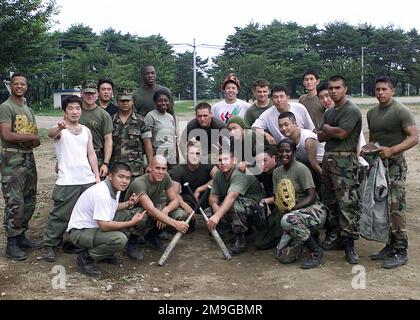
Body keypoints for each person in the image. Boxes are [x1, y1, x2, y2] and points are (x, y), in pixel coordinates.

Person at [40, 95, 101, 262]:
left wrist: (96, 176)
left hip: (86, 179)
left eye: (77, 108)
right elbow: (51, 134)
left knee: (86, 215)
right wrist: (59, 127)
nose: (74, 112)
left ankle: (77, 242)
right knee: (61, 215)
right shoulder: (61, 130)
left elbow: (91, 154)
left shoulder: (86, 130)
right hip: (67, 180)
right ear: (64, 112)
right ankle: (50, 245)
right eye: (70, 109)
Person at [366, 76, 419, 269]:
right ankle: (390, 245)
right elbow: (373, 138)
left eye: (384, 89)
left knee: (396, 206)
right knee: (382, 206)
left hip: (395, 164)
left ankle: (401, 250)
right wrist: (368, 150)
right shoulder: (372, 113)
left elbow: (414, 138)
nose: (380, 93)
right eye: (378, 89)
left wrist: (393, 150)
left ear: (392, 91)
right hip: (379, 164)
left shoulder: (400, 111)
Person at [66, 162, 144, 277]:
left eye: (127, 178)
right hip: (81, 231)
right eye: (120, 177)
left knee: (132, 213)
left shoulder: (113, 188)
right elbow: (104, 225)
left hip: (94, 227)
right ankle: (86, 258)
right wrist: (131, 223)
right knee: (119, 239)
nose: (124, 181)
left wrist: (128, 203)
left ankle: (105, 254)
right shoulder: (102, 193)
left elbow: (112, 207)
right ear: (110, 176)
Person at [317, 75, 362, 264]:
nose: (333, 91)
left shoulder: (351, 110)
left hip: (345, 160)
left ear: (345, 89)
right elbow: (319, 137)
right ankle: (335, 236)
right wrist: (329, 130)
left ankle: (349, 244)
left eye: (337, 88)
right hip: (328, 159)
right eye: (331, 88)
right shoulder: (329, 112)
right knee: (330, 201)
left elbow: (343, 134)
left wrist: (327, 128)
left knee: (347, 203)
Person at [0, 73, 41, 261]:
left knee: (29, 197)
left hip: (27, 157)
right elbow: (7, 135)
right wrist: (32, 138)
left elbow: (35, 137)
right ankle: (12, 242)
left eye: (22, 84)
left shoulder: (28, 109)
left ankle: (22, 235)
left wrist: (33, 140)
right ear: (11, 86)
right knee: (14, 201)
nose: (19, 86)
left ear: (26, 86)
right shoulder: (6, 107)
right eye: (16, 84)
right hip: (12, 158)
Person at [271, 138, 327, 269]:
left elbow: (312, 197)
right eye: (281, 151)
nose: (284, 154)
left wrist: (292, 208)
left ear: (294, 152)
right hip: (294, 213)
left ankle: (316, 252)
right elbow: (277, 197)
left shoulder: (302, 169)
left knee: (288, 220)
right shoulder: (276, 172)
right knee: (283, 256)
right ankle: (309, 236)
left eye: (288, 151)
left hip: (313, 209)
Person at [121, 155, 189, 260]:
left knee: (180, 214)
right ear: (150, 168)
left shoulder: (165, 177)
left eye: (164, 168)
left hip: (153, 210)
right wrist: (175, 224)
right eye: (157, 168)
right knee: (141, 216)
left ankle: (151, 236)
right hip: (134, 214)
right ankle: (133, 241)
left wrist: (166, 210)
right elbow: (150, 209)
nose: (161, 172)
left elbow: (175, 200)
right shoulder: (139, 183)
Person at [205, 150, 265, 255]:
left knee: (234, 204)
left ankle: (240, 240)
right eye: (220, 160)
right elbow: (213, 196)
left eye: (226, 159)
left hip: (256, 208)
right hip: (238, 203)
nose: (222, 163)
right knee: (209, 212)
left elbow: (232, 195)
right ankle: (231, 229)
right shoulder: (219, 174)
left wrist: (218, 216)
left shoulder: (240, 173)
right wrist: (215, 207)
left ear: (234, 161)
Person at [111, 87, 153, 181]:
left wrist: (150, 164)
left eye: (127, 100)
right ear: (117, 102)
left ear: (132, 101)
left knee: (137, 194)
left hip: (135, 170)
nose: (125, 103)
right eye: (122, 101)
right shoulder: (110, 120)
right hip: (116, 168)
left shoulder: (141, 121)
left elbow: (148, 143)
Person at [170, 139, 218, 215]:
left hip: (205, 199)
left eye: (197, 153)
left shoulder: (206, 164)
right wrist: (184, 205)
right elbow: (174, 193)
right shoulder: (178, 170)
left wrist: (200, 189)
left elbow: (218, 177)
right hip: (188, 200)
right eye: (191, 153)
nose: (194, 156)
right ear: (186, 153)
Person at [278, 112, 322, 190]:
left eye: (286, 124)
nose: (283, 129)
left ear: (295, 123)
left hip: (321, 164)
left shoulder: (307, 139)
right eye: (280, 126)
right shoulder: (284, 139)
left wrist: (326, 182)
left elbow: (314, 164)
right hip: (307, 164)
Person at [78, 80, 113, 179]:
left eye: (92, 93)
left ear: (97, 94)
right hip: (76, 154)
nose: (90, 96)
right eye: (87, 93)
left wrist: (105, 163)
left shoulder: (104, 115)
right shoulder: (75, 111)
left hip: (97, 156)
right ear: (81, 94)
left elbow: (108, 140)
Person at [253, 146, 282, 250]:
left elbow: (288, 197)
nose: (262, 164)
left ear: (274, 158)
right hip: (275, 211)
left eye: (265, 160)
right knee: (260, 243)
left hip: (288, 209)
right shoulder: (263, 171)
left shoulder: (281, 171)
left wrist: (266, 200)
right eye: (258, 162)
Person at [144, 89, 178, 168]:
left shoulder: (170, 117)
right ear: (155, 102)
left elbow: (174, 138)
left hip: (171, 156)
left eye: (166, 100)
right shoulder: (150, 116)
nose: (163, 103)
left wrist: (177, 155)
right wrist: (151, 160)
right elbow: (147, 140)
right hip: (158, 155)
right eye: (160, 101)